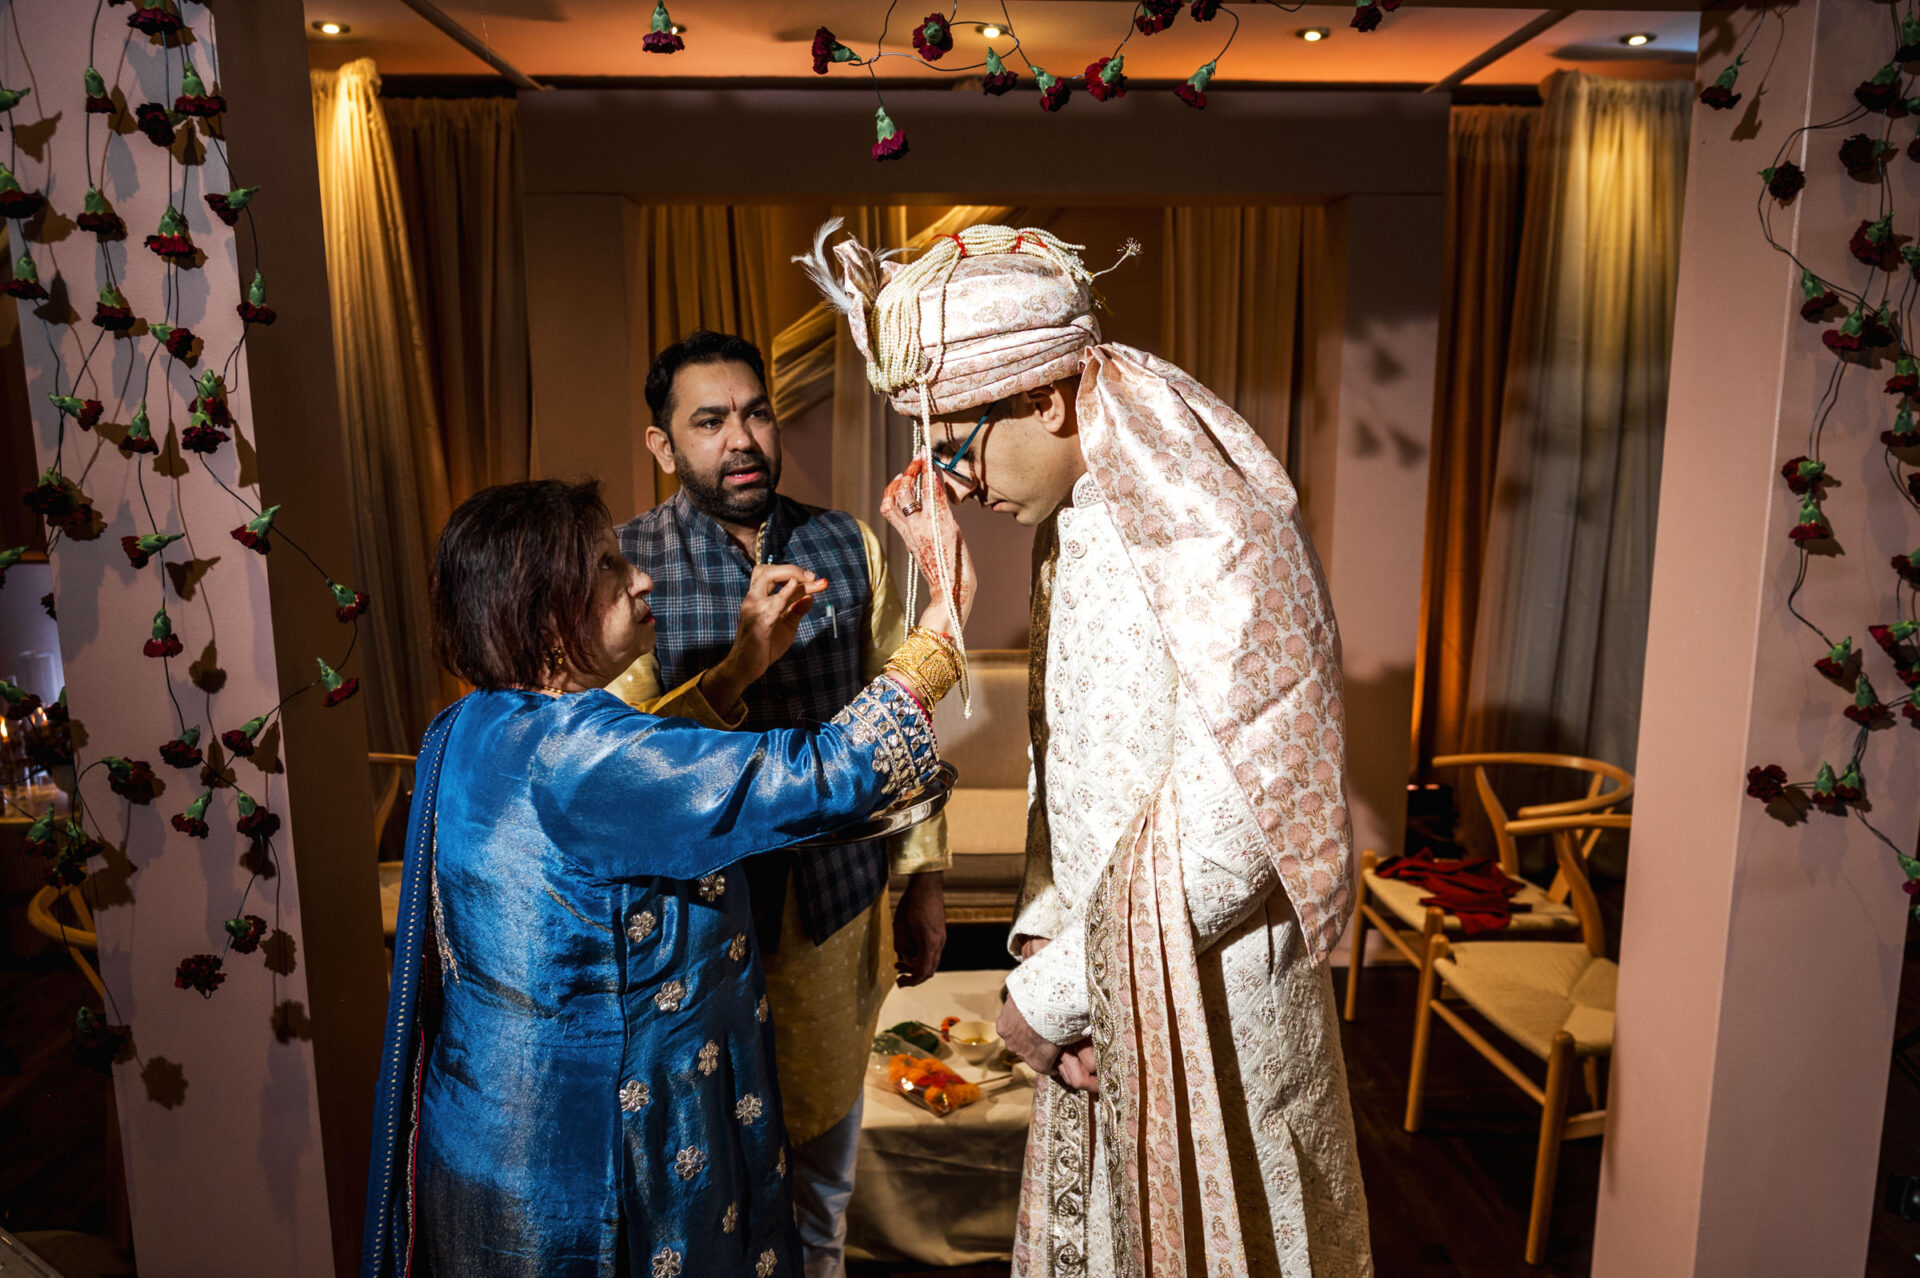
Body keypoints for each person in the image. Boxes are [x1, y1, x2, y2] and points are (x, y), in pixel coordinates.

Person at [802, 222, 1373, 1275]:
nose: (951, 484)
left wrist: (1049, 994)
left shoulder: (1208, 527)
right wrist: (1056, 949)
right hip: (1125, 995)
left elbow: (1243, 818)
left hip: (1210, 1011)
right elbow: (1078, 772)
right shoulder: (1095, 507)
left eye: (955, 443)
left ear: (1049, 401)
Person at [361, 474, 974, 1278]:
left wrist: (744, 663)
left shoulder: (473, 722)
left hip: (490, 1131)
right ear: (548, 616)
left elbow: (639, 780)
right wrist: (938, 627)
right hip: (585, 1171)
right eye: (610, 568)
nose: (640, 577)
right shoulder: (582, 754)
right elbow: (826, 769)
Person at [609, 330, 950, 1278]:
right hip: (692, 930)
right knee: (702, 1191)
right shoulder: (627, 569)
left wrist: (922, 879)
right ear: (662, 446)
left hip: (834, 915)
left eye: (755, 412)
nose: (743, 438)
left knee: (821, 1193)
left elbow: (901, 712)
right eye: (709, 421)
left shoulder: (847, 541)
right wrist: (742, 663)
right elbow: (624, 764)